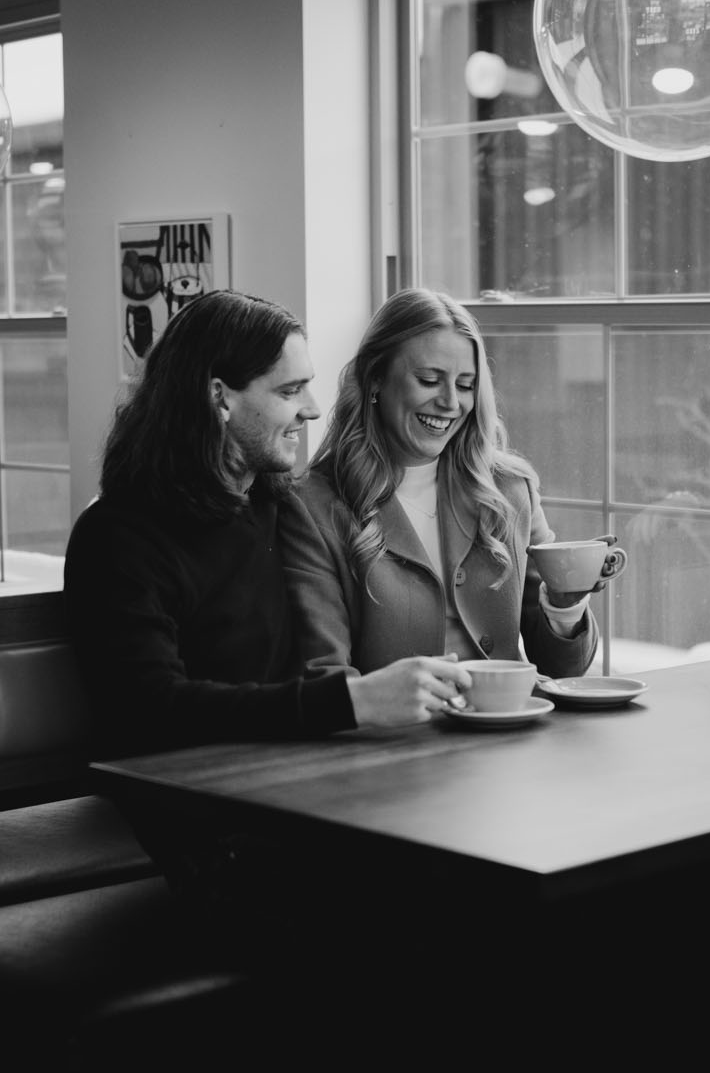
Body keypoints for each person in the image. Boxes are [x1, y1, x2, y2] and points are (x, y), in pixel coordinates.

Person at [63, 288, 470, 761]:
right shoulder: (116, 537)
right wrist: (352, 701)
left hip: (293, 774)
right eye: (289, 390)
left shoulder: (278, 507)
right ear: (220, 398)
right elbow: (148, 709)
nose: (312, 409)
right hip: (184, 797)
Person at [282, 288, 598, 685]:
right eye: (430, 380)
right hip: (398, 743)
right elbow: (323, 678)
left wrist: (565, 606)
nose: (451, 402)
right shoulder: (312, 505)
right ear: (375, 378)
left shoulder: (510, 490)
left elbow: (564, 669)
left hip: (510, 733)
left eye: (466, 385)